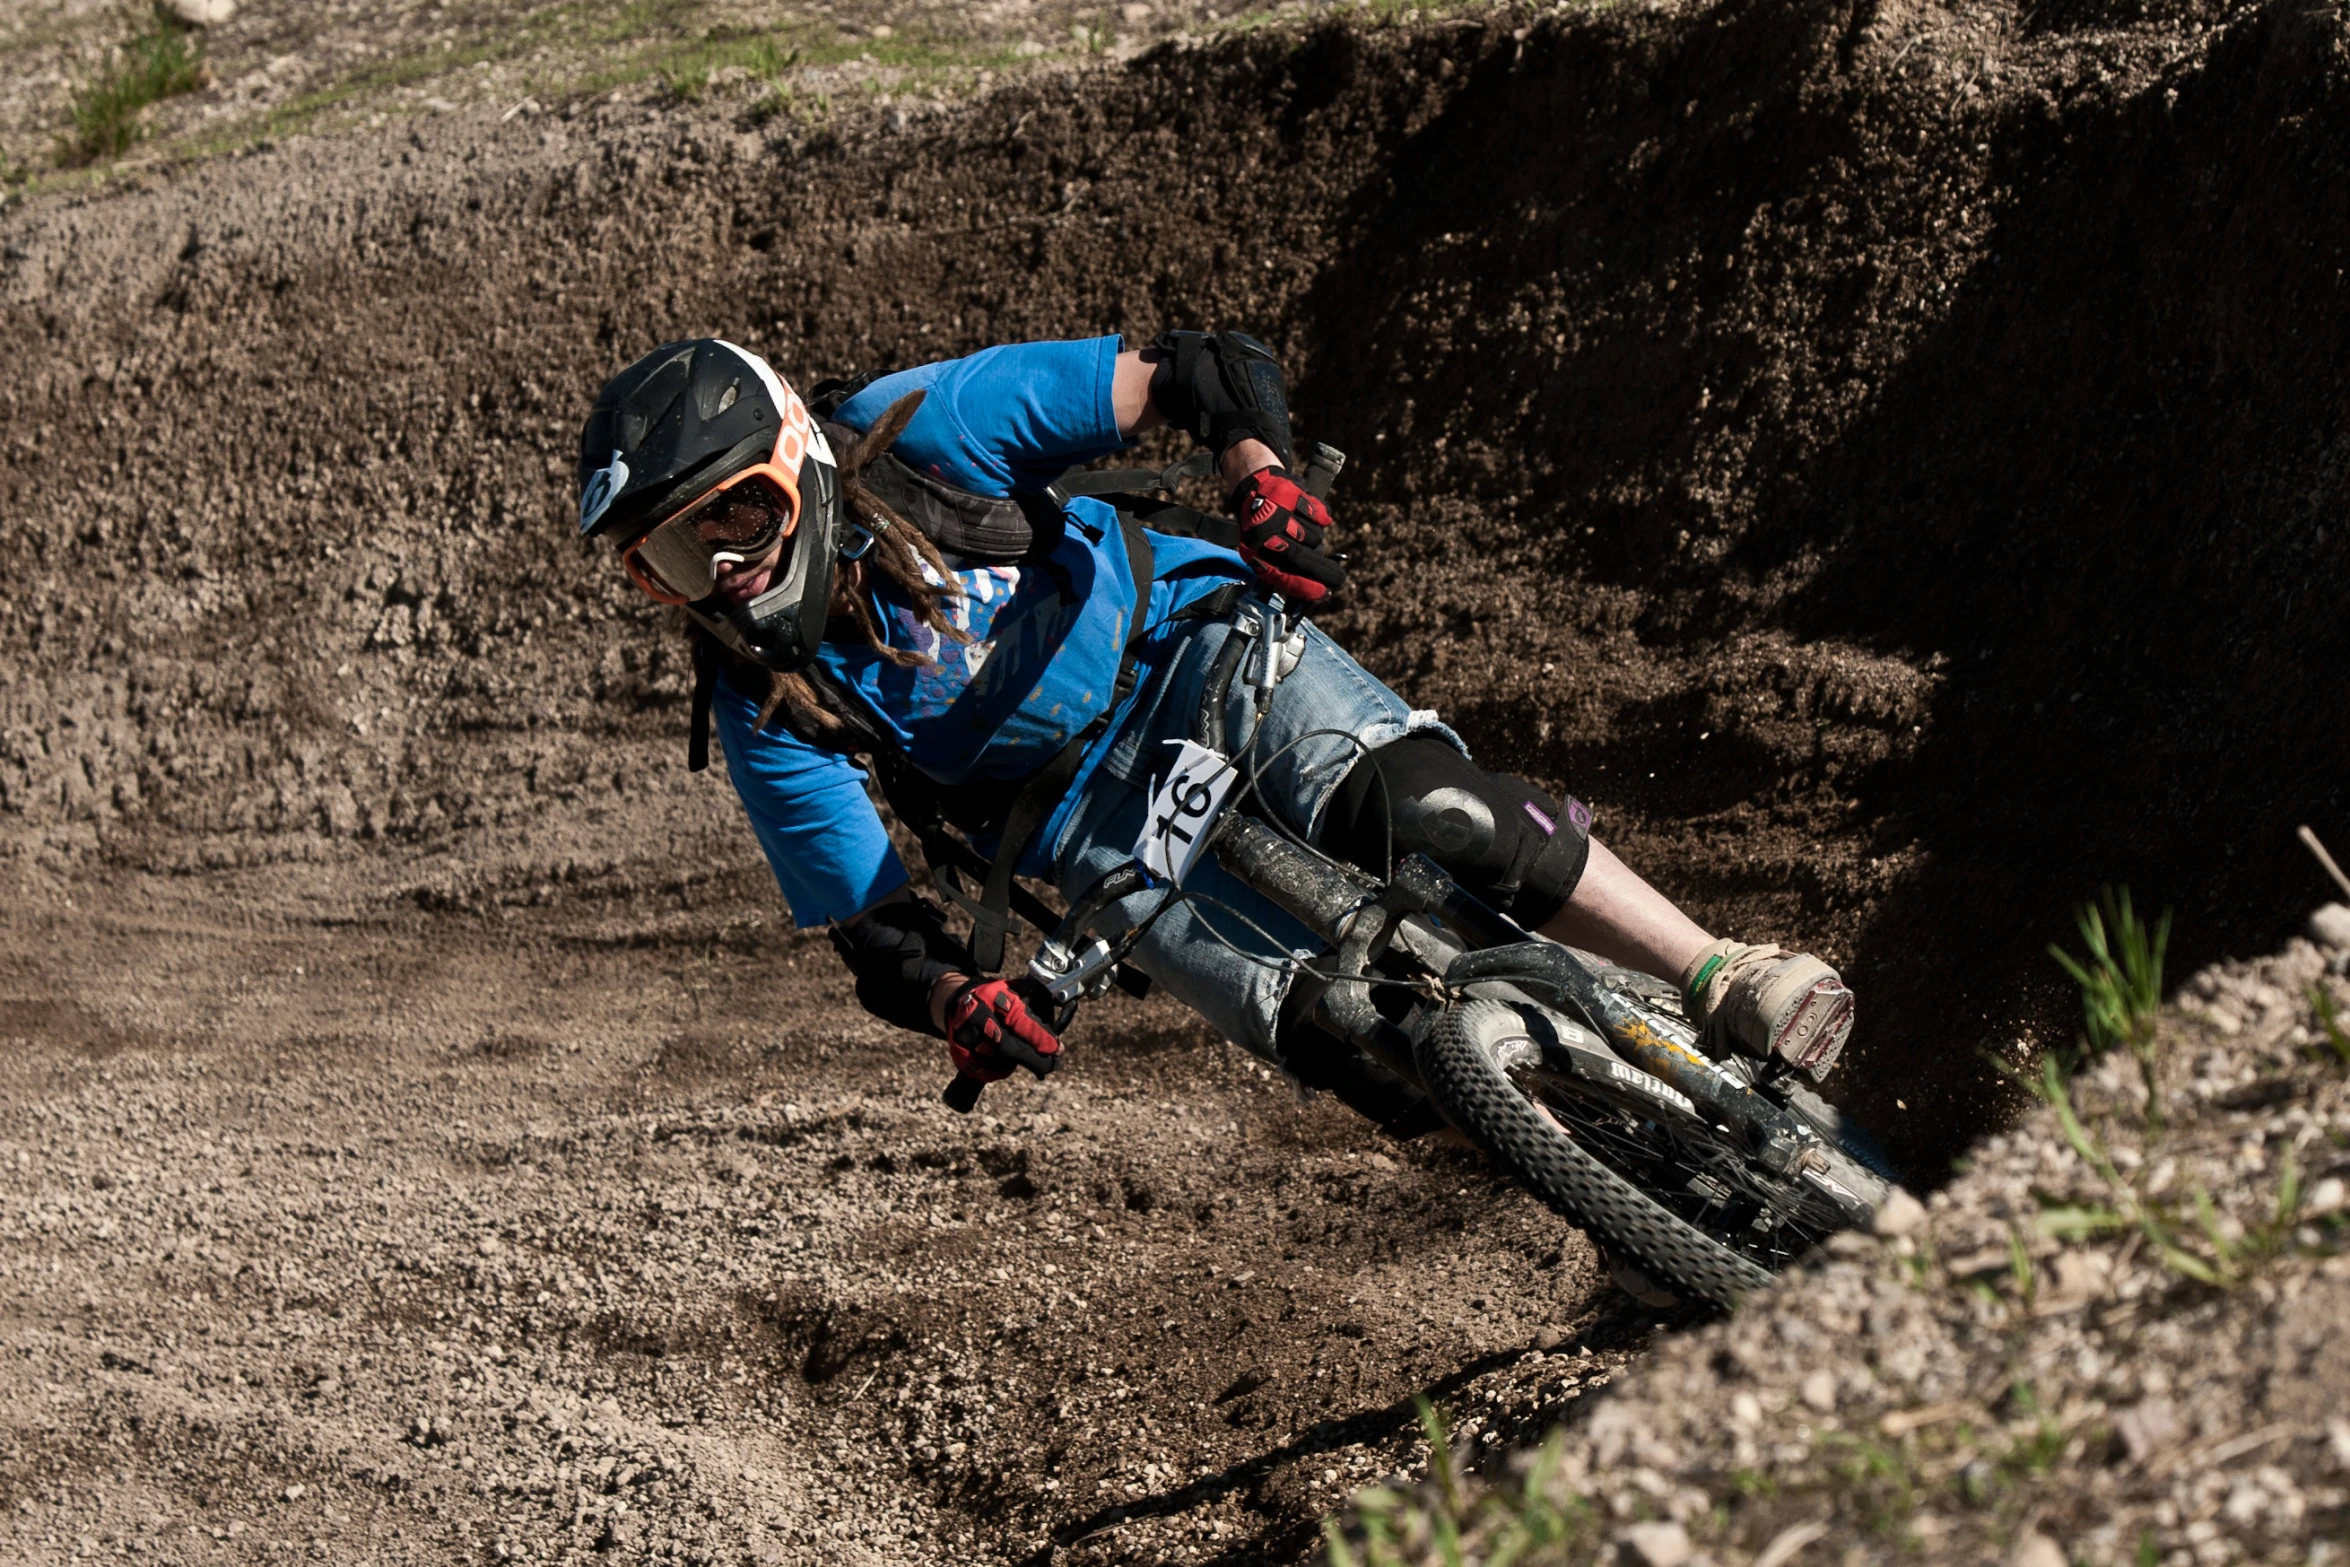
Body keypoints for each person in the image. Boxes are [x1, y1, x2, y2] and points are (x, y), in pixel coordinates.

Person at [571, 333, 1854, 1110]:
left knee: (1432, 814)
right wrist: (963, 999)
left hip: (1189, 647)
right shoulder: (762, 698)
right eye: (671, 558)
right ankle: (1627, 1195)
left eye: (730, 515)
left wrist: (1265, 481)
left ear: (795, 453)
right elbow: (873, 929)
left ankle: (1717, 971)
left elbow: (1198, 363)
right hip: (1075, 829)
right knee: (1364, 1052)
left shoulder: (929, 432)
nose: (722, 570)